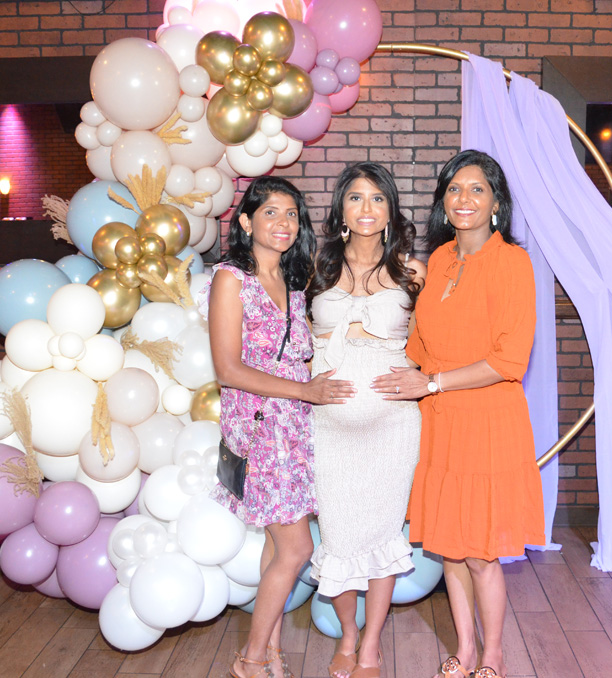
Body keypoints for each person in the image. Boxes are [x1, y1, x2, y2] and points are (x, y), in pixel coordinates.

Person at [372, 150, 546, 678]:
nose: (464, 199)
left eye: (476, 189)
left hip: (488, 420)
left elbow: (509, 360)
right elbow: (421, 344)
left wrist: (432, 382)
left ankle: (493, 655)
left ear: (496, 203)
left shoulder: (513, 263)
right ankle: (466, 649)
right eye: (454, 189)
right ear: (443, 202)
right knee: (450, 547)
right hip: (440, 420)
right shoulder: (441, 260)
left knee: (481, 553)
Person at [199, 176, 355, 678]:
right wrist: (306, 391)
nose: (284, 223)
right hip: (261, 428)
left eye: (292, 214)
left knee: (276, 546)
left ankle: (268, 651)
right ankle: (249, 661)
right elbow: (228, 369)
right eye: (271, 212)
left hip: (295, 428)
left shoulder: (292, 281)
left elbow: (297, 356)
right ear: (246, 222)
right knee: (298, 547)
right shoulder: (231, 279)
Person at [307, 162, 426, 678]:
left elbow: (433, 341)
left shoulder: (413, 272)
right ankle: (348, 636)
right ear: (341, 209)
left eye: (378, 198)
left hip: (393, 426)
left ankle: (371, 644)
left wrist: (422, 376)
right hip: (327, 426)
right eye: (356, 197)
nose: (367, 208)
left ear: (391, 210)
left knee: (382, 533)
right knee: (337, 535)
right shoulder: (314, 267)